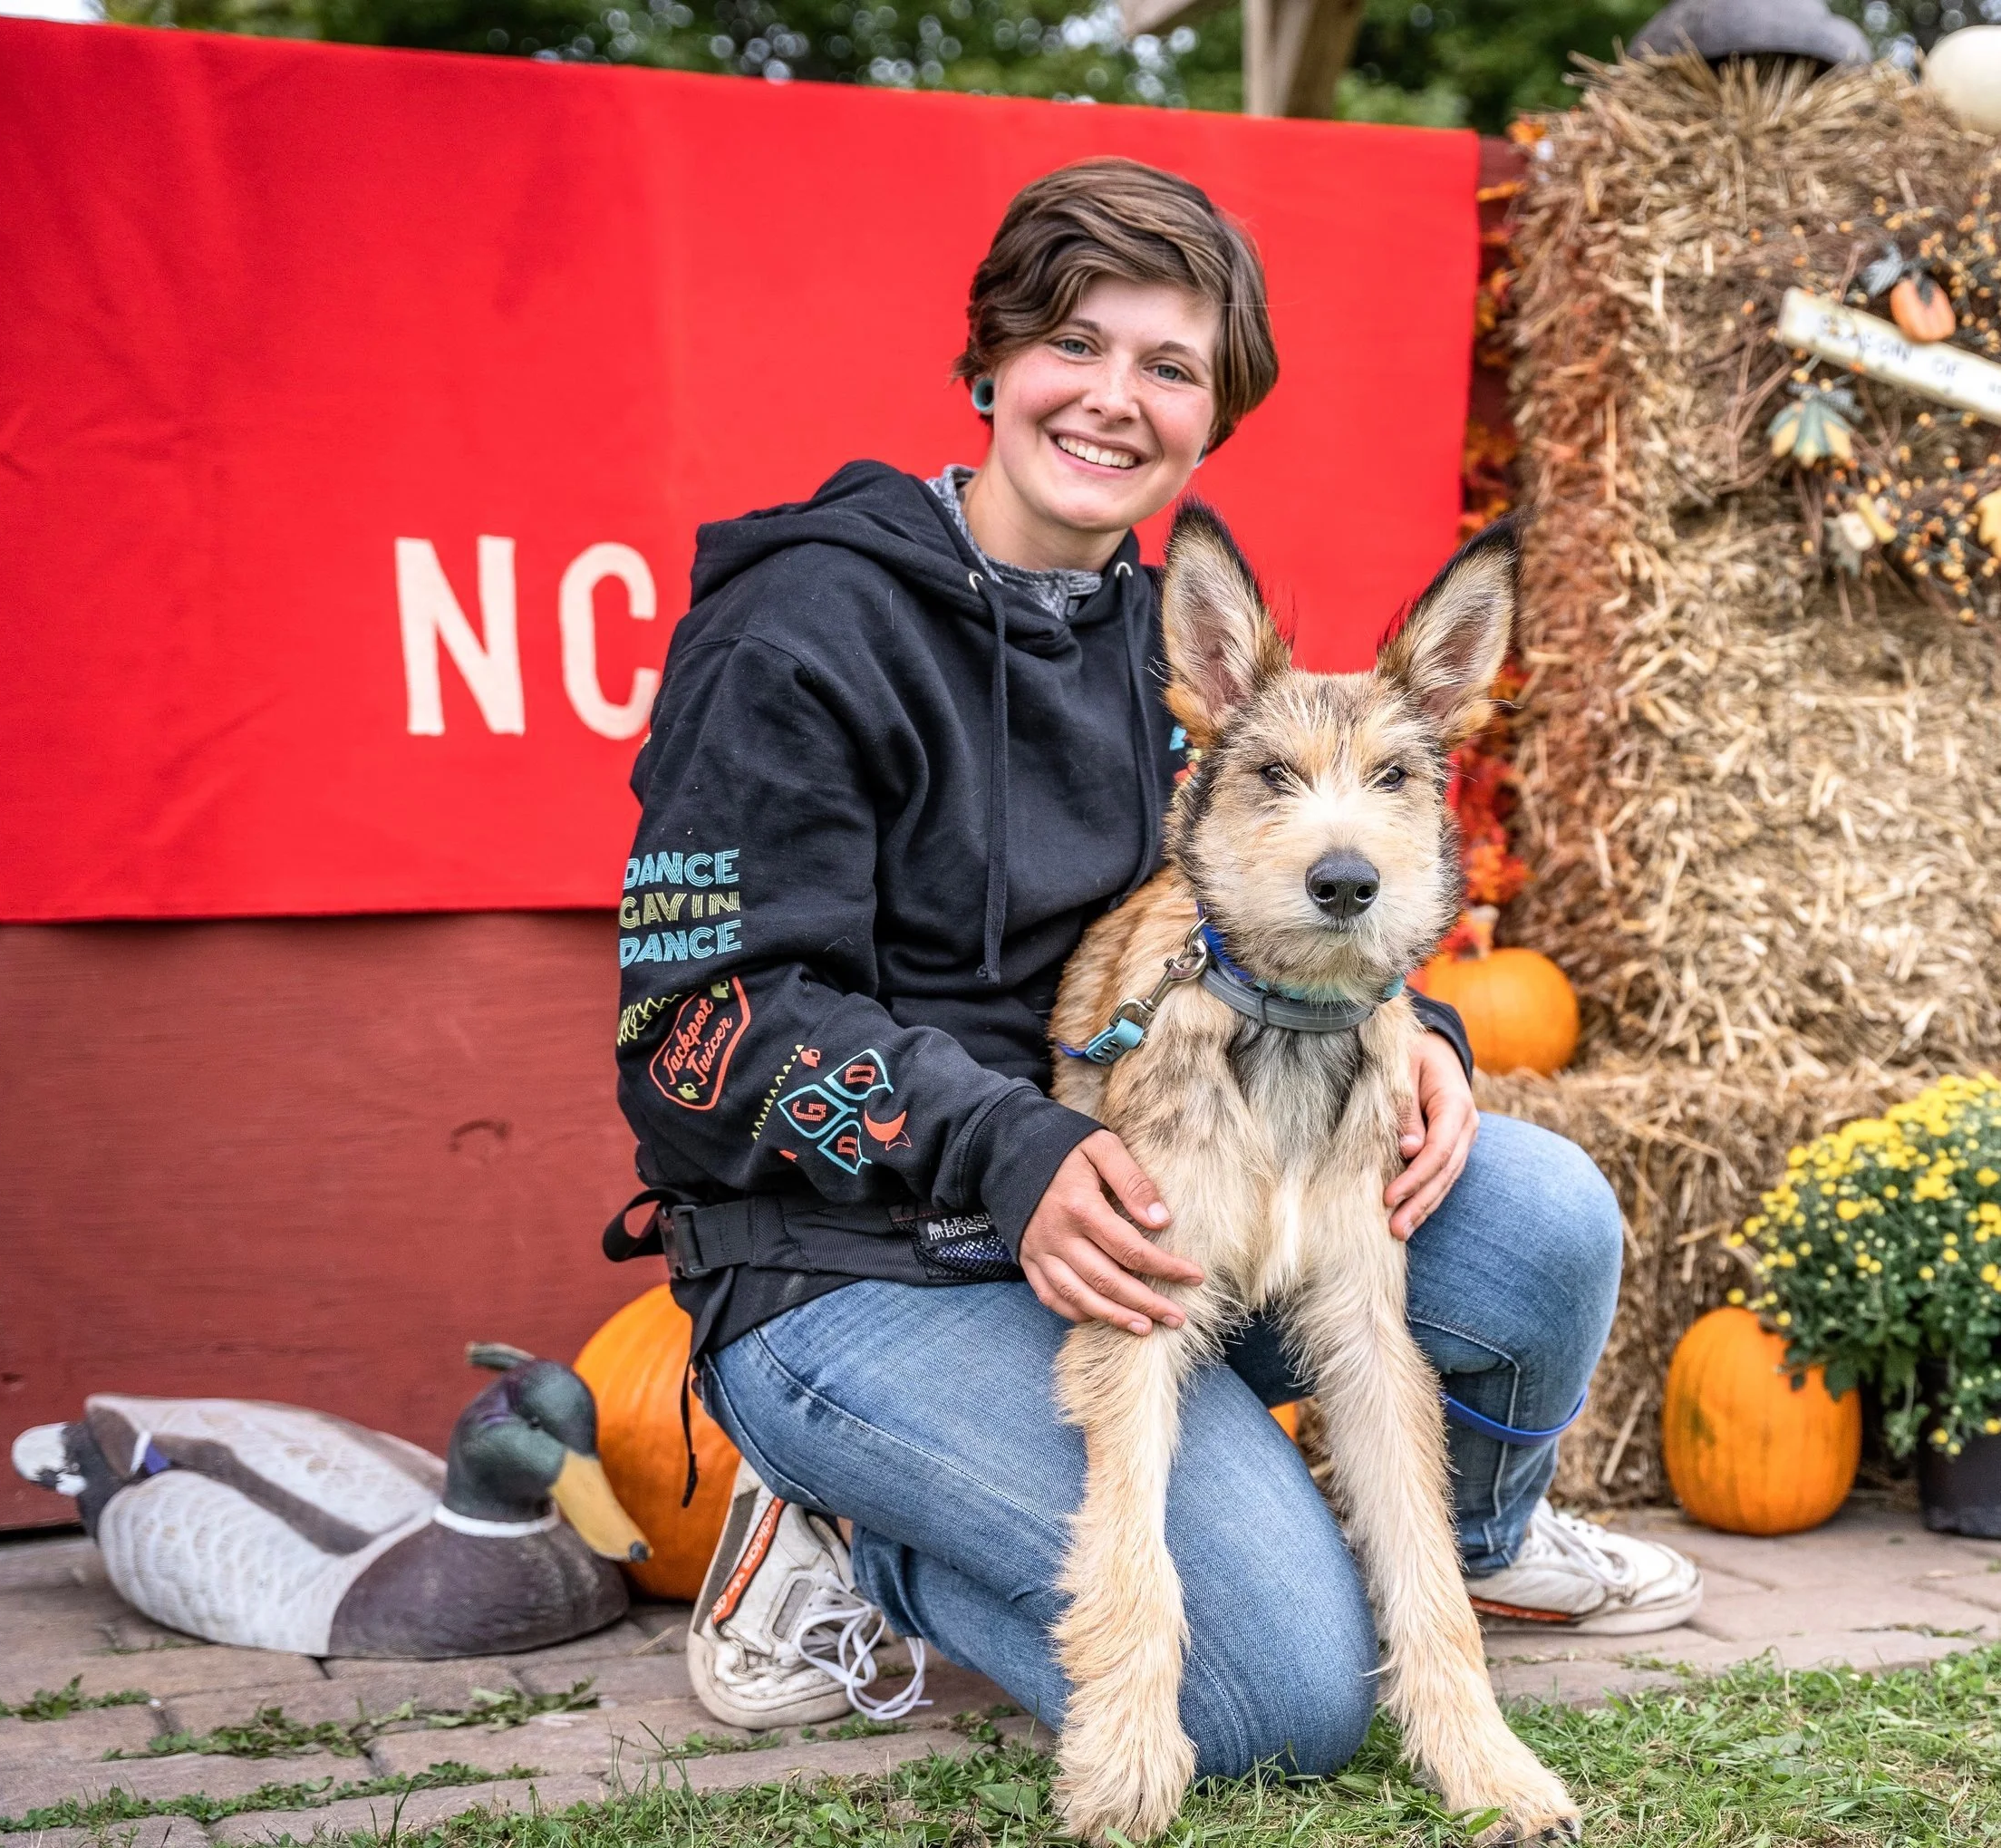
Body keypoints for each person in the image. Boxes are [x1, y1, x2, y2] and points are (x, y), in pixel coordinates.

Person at [610, 159, 1698, 1776]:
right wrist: (1011, 1148)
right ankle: (847, 1534)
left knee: (1539, 1218)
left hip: (1141, 1198)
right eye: (1072, 342)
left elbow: (1265, 890)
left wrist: (1413, 1027)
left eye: (1168, 366)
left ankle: (1457, 1555)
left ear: (1210, 417)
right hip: (859, 1263)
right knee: (1272, 1698)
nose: (1112, 398)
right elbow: (695, 1033)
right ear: (989, 359)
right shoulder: (801, 629)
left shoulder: (1175, 645)